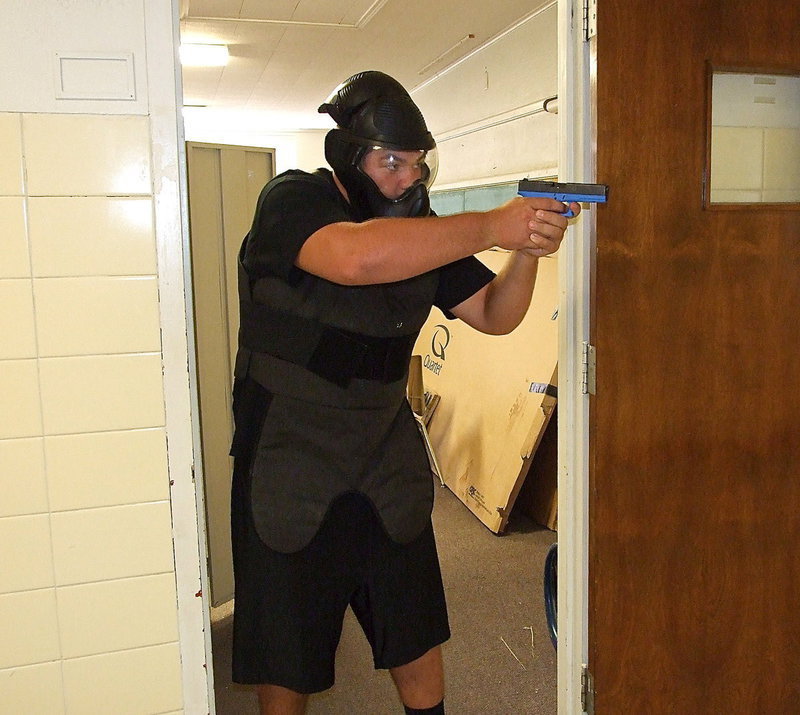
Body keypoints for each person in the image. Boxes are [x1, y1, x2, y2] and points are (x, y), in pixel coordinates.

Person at [229, 70, 580, 715]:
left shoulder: (423, 231)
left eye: (417, 164)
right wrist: (493, 224)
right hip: (291, 455)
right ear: (348, 157)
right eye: (391, 162)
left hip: (382, 455)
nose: (407, 180)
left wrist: (527, 248)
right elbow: (356, 258)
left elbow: (495, 313)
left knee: (413, 626)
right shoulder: (293, 200)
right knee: (287, 651)